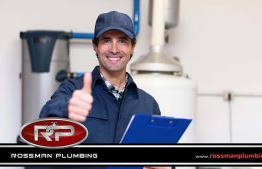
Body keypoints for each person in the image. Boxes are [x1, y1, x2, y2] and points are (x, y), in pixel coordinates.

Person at [39, 11, 171, 169]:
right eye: (106, 41)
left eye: (122, 41)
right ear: (95, 46)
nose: (114, 49)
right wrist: (66, 109)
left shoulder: (148, 105)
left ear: (132, 47)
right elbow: (45, 119)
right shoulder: (73, 90)